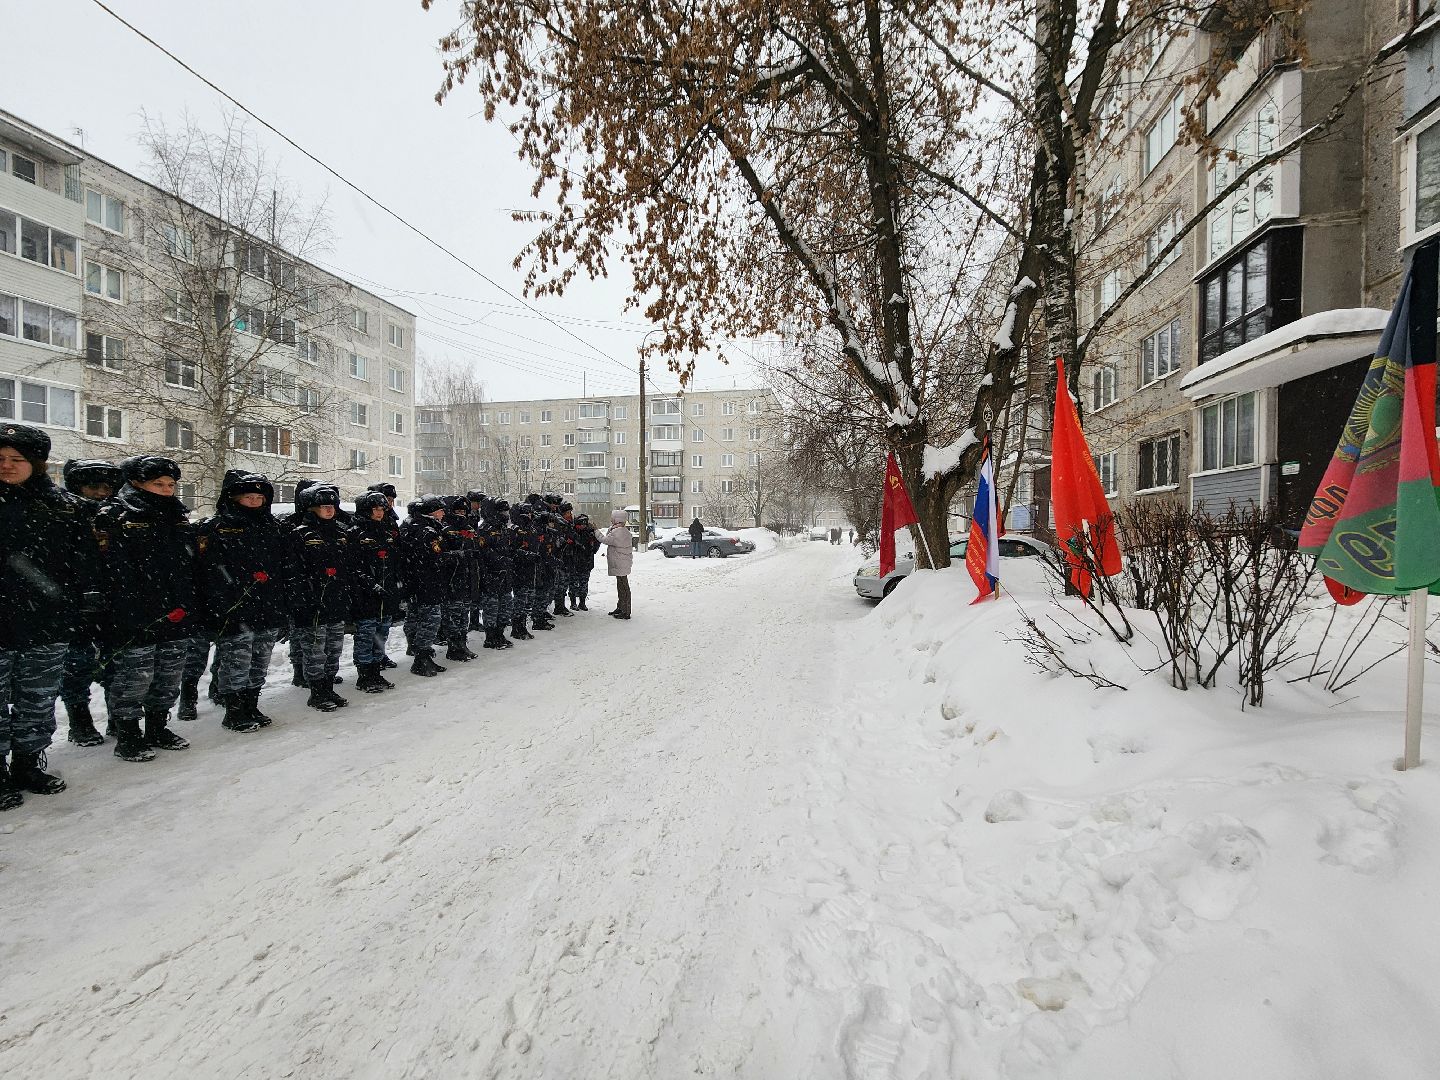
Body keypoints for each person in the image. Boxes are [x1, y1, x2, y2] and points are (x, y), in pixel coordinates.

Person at [0, 424, 102, 809]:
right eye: (0, 459)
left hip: (47, 621)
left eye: (17, 459)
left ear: (37, 463)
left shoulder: (64, 507)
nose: (7, 466)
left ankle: (28, 763)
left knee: (38, 699)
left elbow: (85, 562)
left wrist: (85, 605)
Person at [94, 455, 201, 760]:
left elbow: (189, 563)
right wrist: (124, 606)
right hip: (133, 611)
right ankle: (127, 734)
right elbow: (109, 567)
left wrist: (188, 601)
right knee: (134, 677)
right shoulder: (115, 514)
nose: (166, 490)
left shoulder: (177, 516)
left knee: (169, 674)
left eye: (171, 484)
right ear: (136, 483)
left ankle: (157, 726)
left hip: (176, 610)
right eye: (158, 484)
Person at [197, 471, 293, 733]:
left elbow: (284, 568)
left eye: (259, 498)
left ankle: (251, 704)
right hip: (235, 607)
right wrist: (220, 603)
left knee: (259, 661)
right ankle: (234, 710)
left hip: (268, 605)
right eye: (248, 497)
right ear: (234, 498)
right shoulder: (216, 528)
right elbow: (208, 571)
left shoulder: (273, 528)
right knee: (236, 662)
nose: (254, 502)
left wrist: (283, 604)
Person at [58, 458, 122, 746]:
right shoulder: (64, 515)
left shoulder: (118, 516)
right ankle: (79, 720)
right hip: (74, 604)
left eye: (106, 487)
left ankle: (118, 718)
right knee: (77, 666)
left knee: (116, 665)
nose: (100, 493)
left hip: (115, 603)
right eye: (93, 487)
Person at [287, 485, 353, 711]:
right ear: (311, 509)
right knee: (315, 651)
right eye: (324, 506)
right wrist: (303, 598)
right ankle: (316, 692)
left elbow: (348, 568)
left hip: (336, 600)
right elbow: (294, 571)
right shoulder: (300, 535)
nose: (329, 510)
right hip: (312, 602)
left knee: (334, 649)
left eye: (332, 506)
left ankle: (328, 687)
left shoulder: (341, 534)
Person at [350, 491, 402, 692]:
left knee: (381, 634)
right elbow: (353, 567)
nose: (379, 513)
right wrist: (370, 584)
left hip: (386, 594)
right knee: (366, 635)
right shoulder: (356, 534)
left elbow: (395, 562)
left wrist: (396, 584)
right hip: (366, 596)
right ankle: (364, 675)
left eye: (382, 509)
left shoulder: (386, 532)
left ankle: (376, 671)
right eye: (375, 509)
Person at [400, 494, 450, 676]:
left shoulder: (412, 526)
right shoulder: (427, 531)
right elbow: (433, 557)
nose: (443, 514)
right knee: (431, 620)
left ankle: (421, 655)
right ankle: (421, 658)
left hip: (417, 582)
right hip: (427, 582)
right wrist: (450, 557)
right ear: (432, 513)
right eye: (440, 511)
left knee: (416, 617)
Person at [475, 497, 515, 650]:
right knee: (491, 608)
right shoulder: (484, 530)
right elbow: (484, 552)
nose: (505, 515)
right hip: (491, 575)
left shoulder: (503, 529)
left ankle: (499, 633)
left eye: (506, 512)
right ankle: (490, 637)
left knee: (505, 607)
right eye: (502, 512)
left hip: (505, 576)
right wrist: (500, 561)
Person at [604, 510, 634, 619]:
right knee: (621, 586)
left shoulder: (619, 532)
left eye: (612, 518)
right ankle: (621, 607)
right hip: (621, 562)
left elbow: (605, 540)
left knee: (623, 587)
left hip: (621, 563)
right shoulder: (619, 530)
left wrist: (595, 530)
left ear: (617, 519)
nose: (611, 520)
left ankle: (625, 611)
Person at [569, 514, 600, 610]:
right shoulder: (573, 532)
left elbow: (596, 545)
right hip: (574, 563)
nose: (582, 526)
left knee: (584, 584)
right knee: (573, 584)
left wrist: (593, 547)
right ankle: (573, 603)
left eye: (584, 524)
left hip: (586, 562)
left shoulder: (590, 532)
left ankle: (582, 602)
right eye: (580, 524)